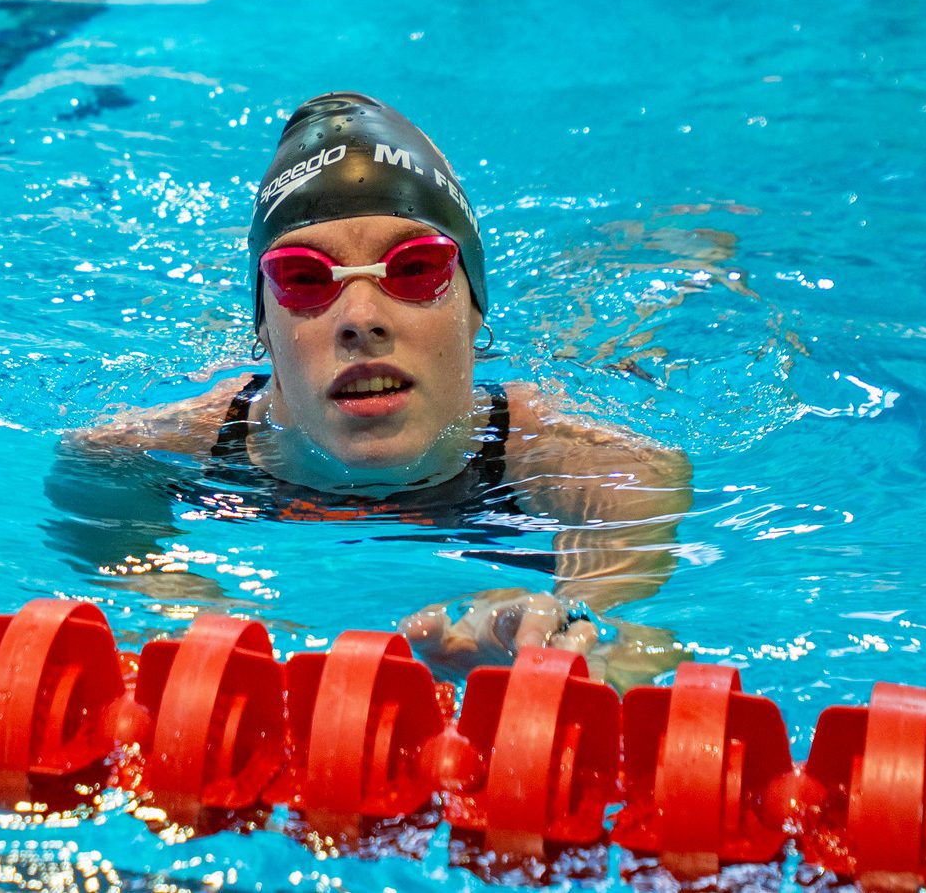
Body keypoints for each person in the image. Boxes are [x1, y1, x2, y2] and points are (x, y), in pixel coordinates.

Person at [64, 92, 694, 688]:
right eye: (304, 279)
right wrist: (196, 608)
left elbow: (634, 643)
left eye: (416, 270)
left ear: (474, 310)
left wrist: (562, 640)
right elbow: (93, 471)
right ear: (263, 328)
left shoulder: (598, 469)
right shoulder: (174, 443)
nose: (360, 317)